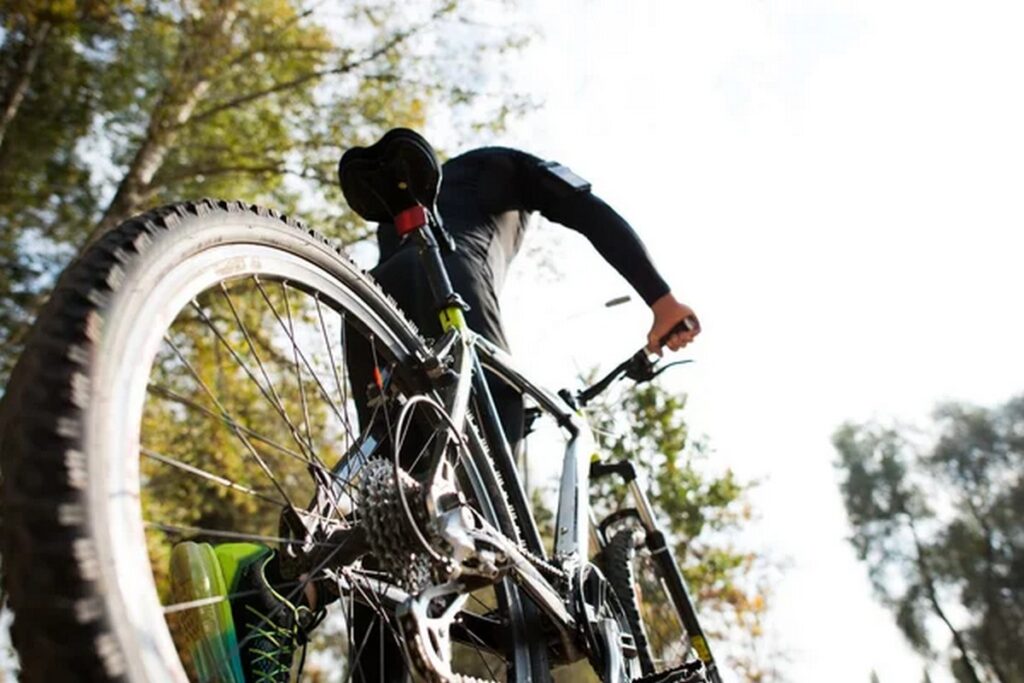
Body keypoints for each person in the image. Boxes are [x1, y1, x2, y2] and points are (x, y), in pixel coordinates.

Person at [169, 129, 700, 682]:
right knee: (479, 514)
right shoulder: (504, 165)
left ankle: (284, 580)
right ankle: (278, 585)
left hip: (374, 313)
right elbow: (580, 206)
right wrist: (661, 299)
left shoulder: (408, 213)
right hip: (450, 288)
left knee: (394, 521)